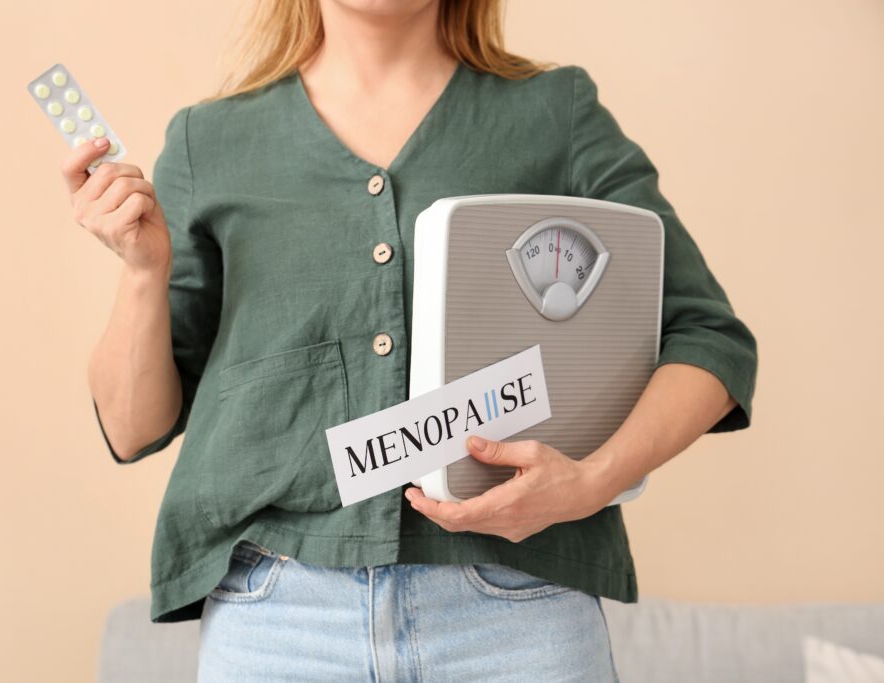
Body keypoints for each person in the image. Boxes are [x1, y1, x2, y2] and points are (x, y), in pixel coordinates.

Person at [66, 0, 758, 680]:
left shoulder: (556, 114)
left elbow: (707, 337)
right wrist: (143, 270)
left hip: (518, 615)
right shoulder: (208, 142)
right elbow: (131, 428)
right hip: (278, 624)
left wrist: (591, 482)